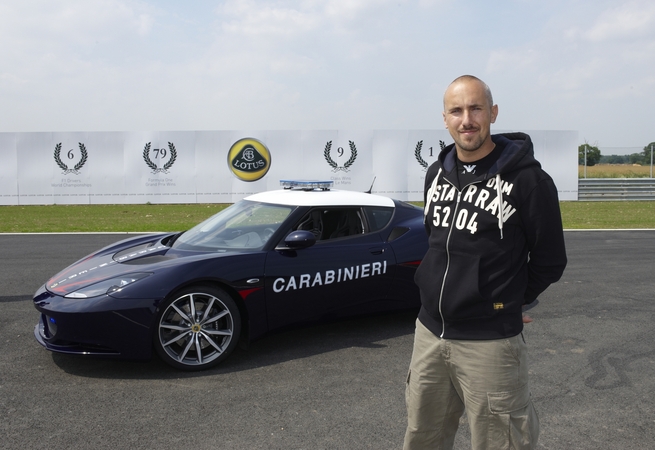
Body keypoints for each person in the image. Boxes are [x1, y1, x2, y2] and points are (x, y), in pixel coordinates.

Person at [403, 75, 567, 450]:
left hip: (489, 344)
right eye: (457, 111)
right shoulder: (436, 174)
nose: (467, 120)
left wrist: (509, 299)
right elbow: (437, 242)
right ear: (444, 118)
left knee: (501, 443)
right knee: (422, 437)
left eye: (476, 108)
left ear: (492, 113)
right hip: (429, 334)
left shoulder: (529, 181)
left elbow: (550, 260)